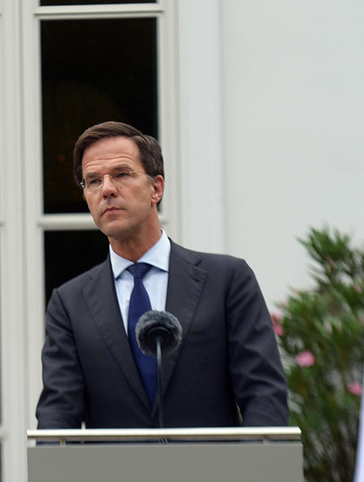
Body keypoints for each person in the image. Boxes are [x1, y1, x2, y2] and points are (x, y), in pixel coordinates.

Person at [36, 122, 288, 429]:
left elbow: (264, 395)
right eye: (93, 181)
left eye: (122, 174)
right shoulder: (69, 304)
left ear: (156, 188)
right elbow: (58, 414)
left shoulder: (227, 281)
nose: (107, 190)